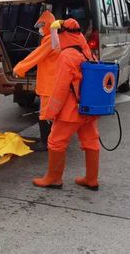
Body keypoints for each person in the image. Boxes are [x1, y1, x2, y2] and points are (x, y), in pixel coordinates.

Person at [33, 18, 100, 191]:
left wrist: (50, 112)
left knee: (55, 142)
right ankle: (92, 179)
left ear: (63, 34)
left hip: (71, 110)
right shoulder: (87, 51)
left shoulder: (66, 55)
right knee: (91, 141)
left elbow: (61, 88)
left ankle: (54, 178)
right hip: (89, 108)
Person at [13, 10, 59, 151]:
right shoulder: (54, 39)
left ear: (47, 26)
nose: (39, 29)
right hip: (52, 82)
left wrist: (18, 69)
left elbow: (35, 56)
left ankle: (46, 143)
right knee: (49, 113)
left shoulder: (50, 41)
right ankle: (50, 140)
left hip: (49, 84)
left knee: (45, 113)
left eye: (41, 26)